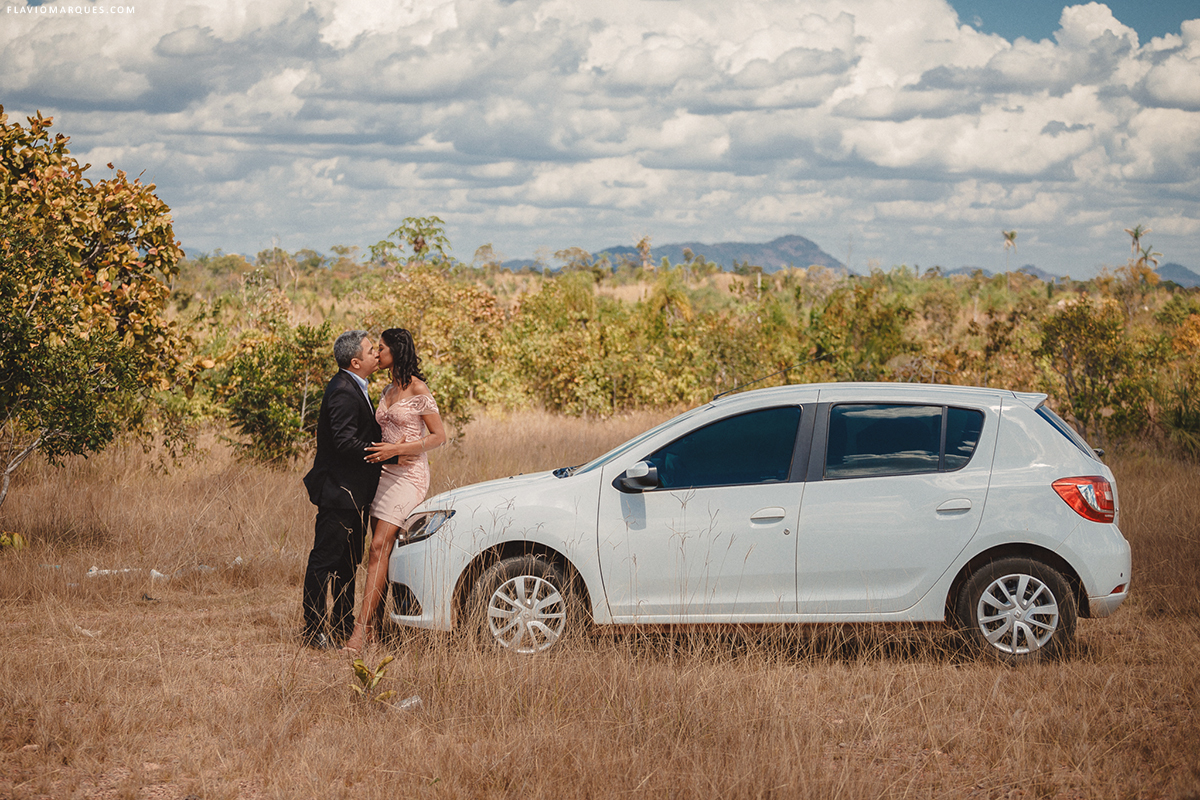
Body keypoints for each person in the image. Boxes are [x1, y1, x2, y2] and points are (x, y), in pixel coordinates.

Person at [341, 327, 445, 654]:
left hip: (409, 475)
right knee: (382, 554)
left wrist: (401, 449)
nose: (377, 353)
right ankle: (376, 629)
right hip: (383, 474)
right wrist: (381, 452)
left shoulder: (418, 388)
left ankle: (359, 632)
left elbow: (438, 436)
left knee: (376, 547)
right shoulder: (386, 388)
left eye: (381, 348)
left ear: (395, 352)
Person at [300, 330, 384, 649]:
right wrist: (384, 450)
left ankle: (341, 625)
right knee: (324, 562)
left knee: (348, 565)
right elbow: (344, 441)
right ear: (355, 361)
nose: (375, 354)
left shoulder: (356, 386)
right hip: (339, 492)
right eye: (370, 350)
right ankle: (315, 630)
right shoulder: (342, 391)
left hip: (354, 493)